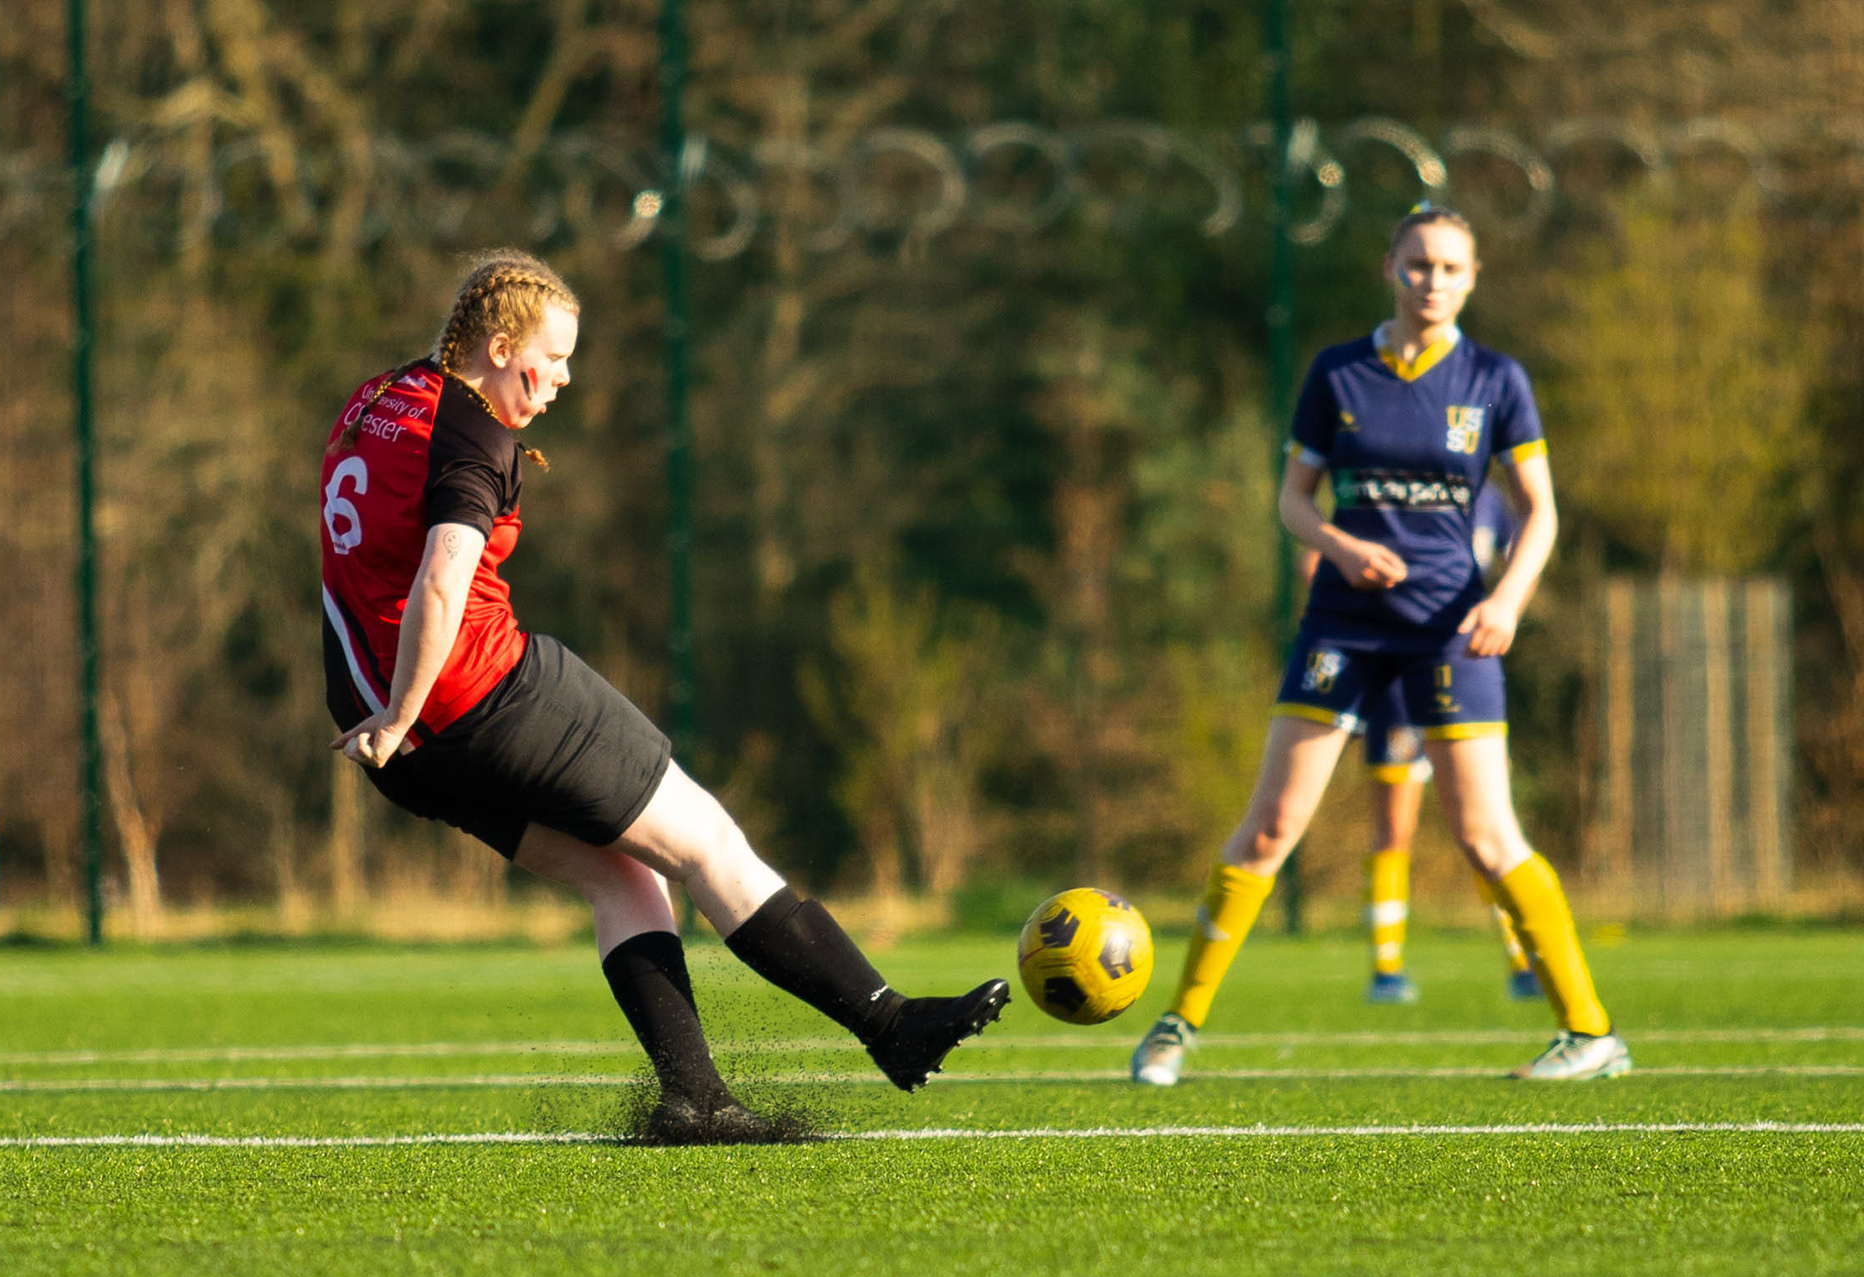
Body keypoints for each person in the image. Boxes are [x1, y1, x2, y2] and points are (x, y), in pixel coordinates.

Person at [320, 250, 1009, 1143]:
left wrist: (392, 720)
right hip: (478, 693)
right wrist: (409, 705)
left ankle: (696, 1099)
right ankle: (891, 1023)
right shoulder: (475, 432)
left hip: (397, 743)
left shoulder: (377, 398)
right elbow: (444, 576)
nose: (564, 379)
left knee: (628, 877)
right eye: (552, 357)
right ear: (496, 345)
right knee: (711, 842)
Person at [1131, 205, 1629, 1085]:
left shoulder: (1494, 379)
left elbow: (1539, 511)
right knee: (1271, 828)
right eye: (1417, 265)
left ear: (1474, 279)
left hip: (1450, 630)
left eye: (1449, 268)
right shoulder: (1338, 373)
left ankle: (1590, 1034)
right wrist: (1341, 545)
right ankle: (1176, 1025)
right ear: (1387, 269)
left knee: (1484, 835)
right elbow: (1292, 499)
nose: (1432, 282)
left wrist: (1509, 598)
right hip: (1343, 626)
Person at [1300, 483, 1544, 1006]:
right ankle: (1386, 969)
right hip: (1397, 681)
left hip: (1466, 669)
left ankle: (1522, 959)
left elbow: (1528, 546)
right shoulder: (1394, 489)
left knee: (1490, 831)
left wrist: (1509, 599)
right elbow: (1311, 560)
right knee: (1394, 826)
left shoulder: (1491, 502)